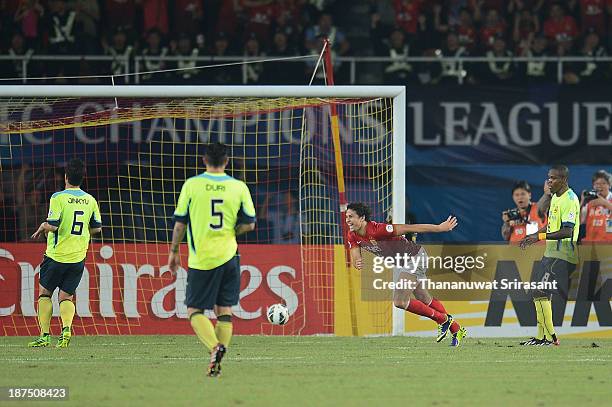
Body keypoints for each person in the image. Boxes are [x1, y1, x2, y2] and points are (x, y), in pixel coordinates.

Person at [168, 142, 256, 377]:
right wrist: (231, 232)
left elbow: (179, 224)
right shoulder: (238, 187)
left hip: (203, 258)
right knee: (224, 309)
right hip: (229, 255)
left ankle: (215, 348)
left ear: (204, 160)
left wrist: (174, 251)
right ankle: (217, 360)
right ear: (227, 161)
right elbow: (250, 223)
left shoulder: (192, 185)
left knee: (194, 310)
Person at [345, 203, 467, 347]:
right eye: (346, 217)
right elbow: (355, 255)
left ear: (362, 218)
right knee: (423, 297)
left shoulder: (378, 230)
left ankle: (443, 320)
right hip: (402, 263)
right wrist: (357, 261)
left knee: (400, 301)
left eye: (351, 216)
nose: (347, 220)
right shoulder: (352, 235)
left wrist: (439, 228)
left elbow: (411, 228)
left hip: (414, 257)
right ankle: (456, 329)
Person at [28, 158, 102, 348]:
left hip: (56, 256)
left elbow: (52, 225)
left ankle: (45, 336)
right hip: (78, 257)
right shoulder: (90, 200)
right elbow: (97, 229)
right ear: (82, 178)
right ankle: (66, 330)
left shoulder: (58, 197)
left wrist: (44, 225)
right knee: (66, 297)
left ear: (66, 177)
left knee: (45, 293)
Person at [520, 165, 580, 346]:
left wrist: (539, 236)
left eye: (553, 178)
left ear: (564, 180)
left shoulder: (570, 199)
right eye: (548, 177)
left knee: (540, 291)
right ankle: (540, 337)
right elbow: (552, 225)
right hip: (550, 253)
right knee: (537, 292)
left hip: (563, 255)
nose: (549, 181)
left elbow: (567, 231)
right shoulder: (555, 197)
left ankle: (551, 336)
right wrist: (534, 236)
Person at [580, 170, 612, 242]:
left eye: (603, 183)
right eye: (596, 184)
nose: (599, 186)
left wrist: (605, 203)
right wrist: (582, 202)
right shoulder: (589, 202)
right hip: (591, 246)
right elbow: (579, 221)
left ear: (610, 185)